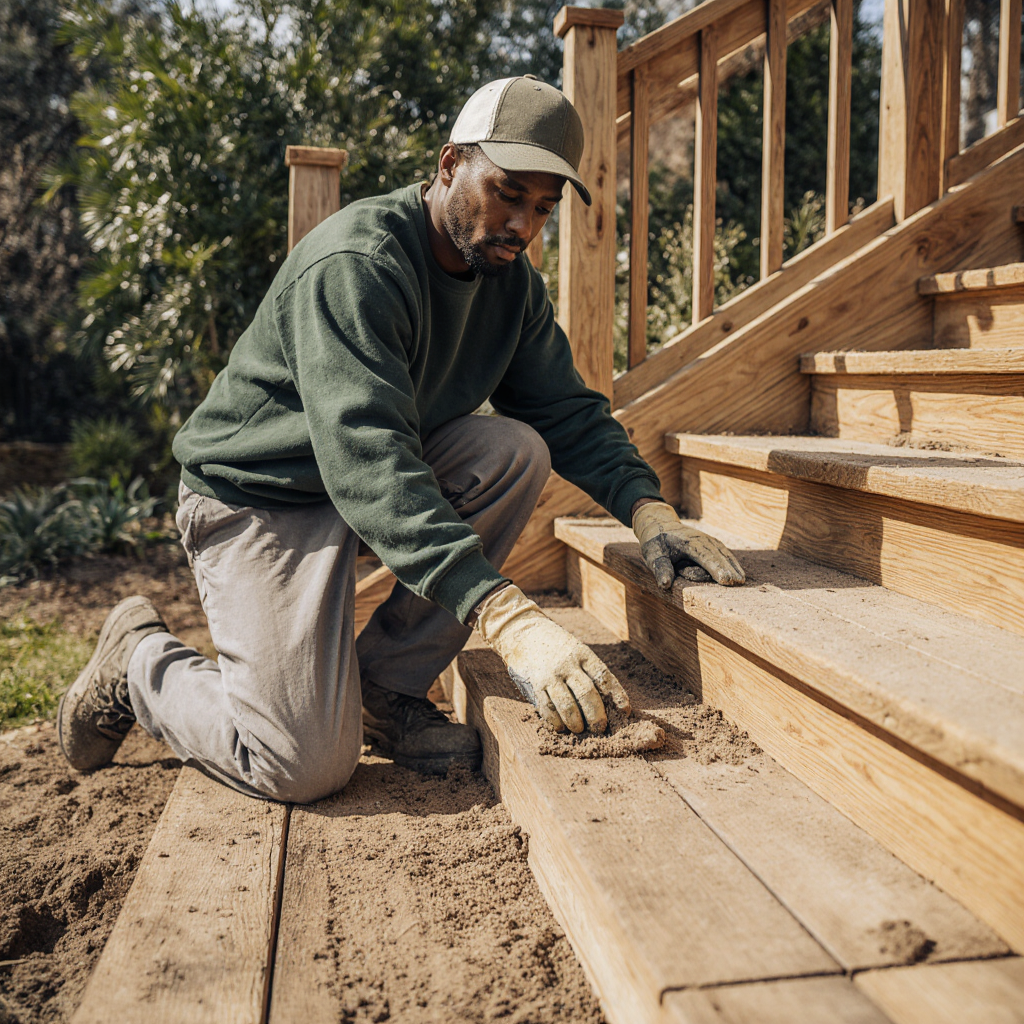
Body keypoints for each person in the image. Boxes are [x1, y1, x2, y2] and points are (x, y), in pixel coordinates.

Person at [58, 75, 745, 803]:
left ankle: (386, 687)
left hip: (354, 485)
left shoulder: (509, 283)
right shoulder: (357, 267)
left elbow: (566, 411)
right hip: (257, 499)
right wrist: (505, 616)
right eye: (507, 192)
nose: (522, 224)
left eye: (542, 208)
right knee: (301, 764)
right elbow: (370, 460)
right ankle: (140, 662)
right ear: (450, 165)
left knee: (513, 450)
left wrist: (648, 510)